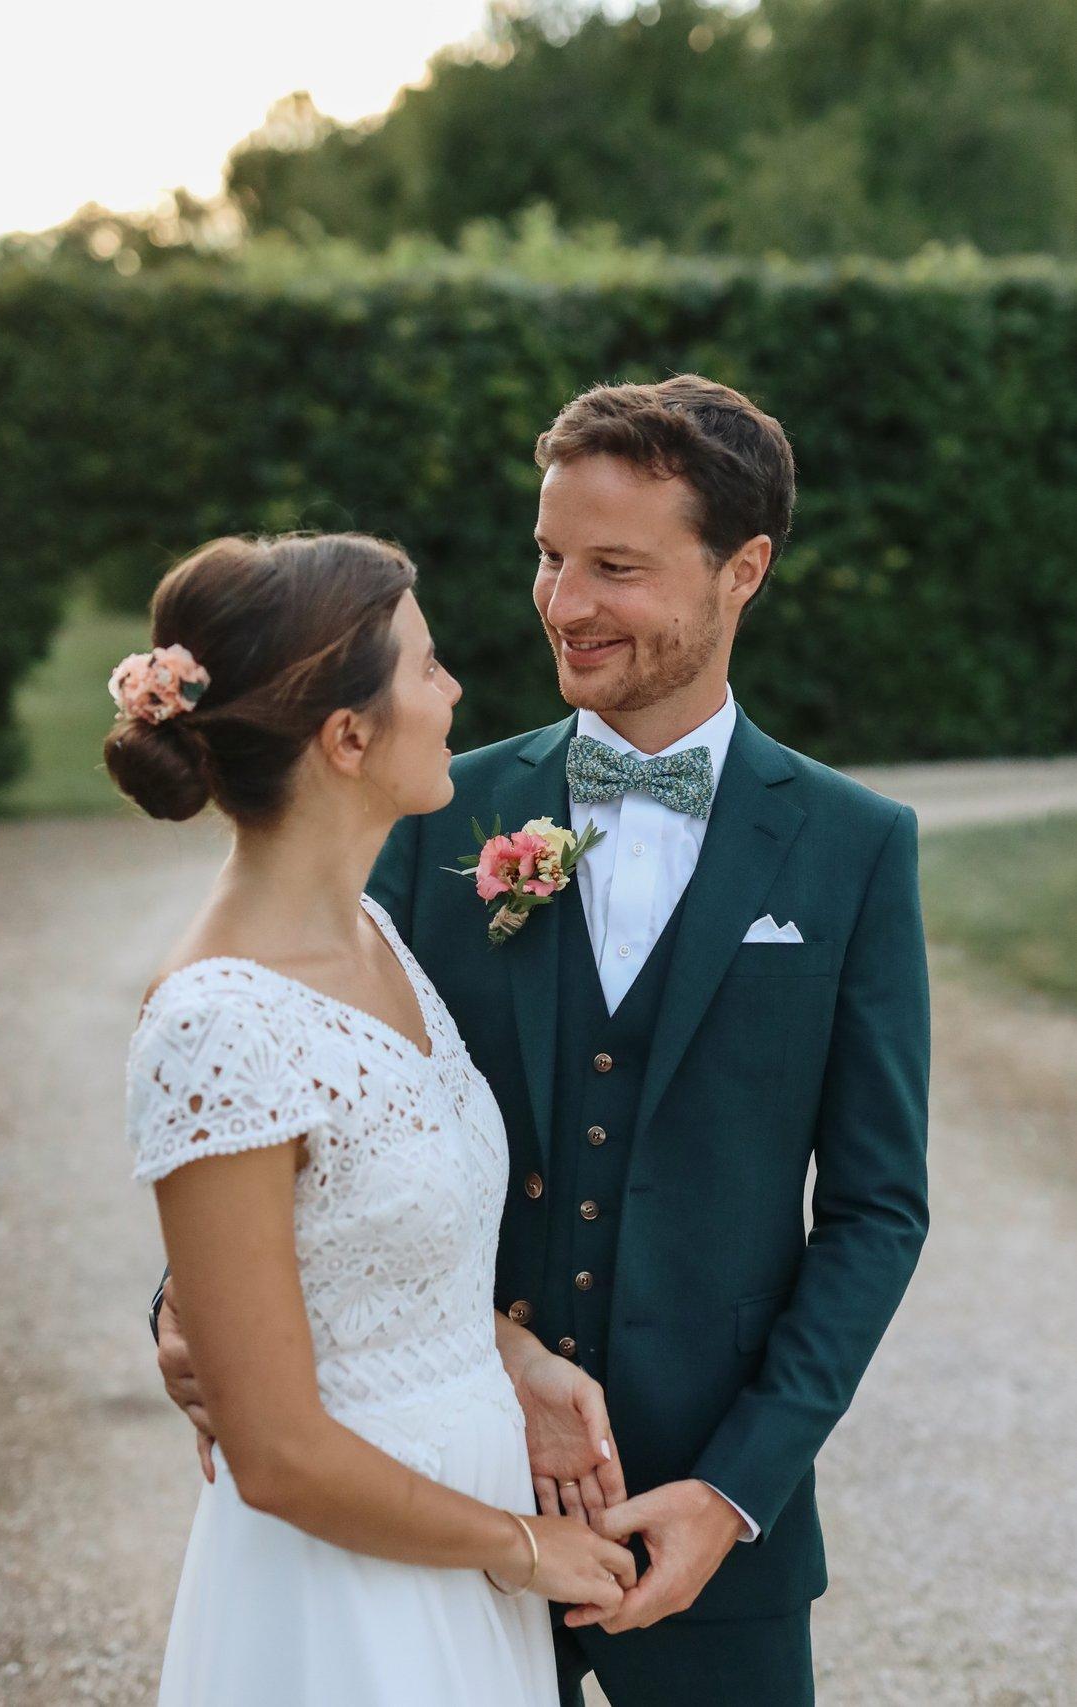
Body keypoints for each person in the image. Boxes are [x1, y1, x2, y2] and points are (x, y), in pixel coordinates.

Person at [155, 377, 931, 1706]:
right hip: (427, 1505)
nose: (563, 604)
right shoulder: (424, 810)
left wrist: (737, 1486)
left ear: (741, 568)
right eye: (547, 556)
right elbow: (277, 1096)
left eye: (614, 567)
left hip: (703, 1531)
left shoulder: (853, 849)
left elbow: (874, 1206)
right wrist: (185, 1310)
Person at [109, 531, 636, 1706]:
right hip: (342, 1595)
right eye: (426, 668)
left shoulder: (375, 936)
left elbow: (365, 1250)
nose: (453, 695)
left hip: (455, 1545)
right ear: (347, 736)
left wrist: (511, 1356)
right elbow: (278, 1452)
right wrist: (523, 1549)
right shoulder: (217, 1019)